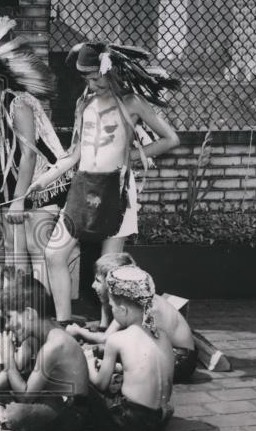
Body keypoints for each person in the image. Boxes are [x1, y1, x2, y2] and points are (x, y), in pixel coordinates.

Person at [28, 41, 180, 322]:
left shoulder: (132, 103)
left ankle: (107, 328)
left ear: (111, 70)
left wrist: (135, 154)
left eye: (96, 76)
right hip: (83, 187)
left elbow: (171, 139)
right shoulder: (84, 103)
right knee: (53, 254)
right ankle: (64, 323)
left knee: (108, 266)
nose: (92, 83)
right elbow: (74, 154)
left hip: (117, 189)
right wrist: (44, 179)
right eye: (86, 78)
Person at [0, 16, 77, 299]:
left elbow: (28, 154)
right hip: (13, 190)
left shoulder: (18, 103)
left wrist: (20, 200)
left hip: (42, 186)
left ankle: (45, 315)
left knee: (38, 250)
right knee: (14, 252)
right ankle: (20, 312)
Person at [0, 273, 91, 431]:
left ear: (29, 314)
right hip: (42, 398)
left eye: (10, 317)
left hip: (69, 411)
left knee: (17, 414)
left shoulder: (55, 344)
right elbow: (13, 371)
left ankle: (2, 426)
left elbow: (25, 396)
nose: (8, 326)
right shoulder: (33, 337)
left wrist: (8, 358)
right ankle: (1, 426)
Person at [67, 252, 197, 382]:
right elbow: (107, 332)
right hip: (167, 352)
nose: (93, 285)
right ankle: (116, 368)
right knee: (102, 349)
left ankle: (118, 370)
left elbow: (108, 339)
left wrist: (79, 331)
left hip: (180, 360)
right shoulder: (128, 299)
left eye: (98, 281)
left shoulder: (142, 305)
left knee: (109, 350)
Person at [87, 265, 174, 431]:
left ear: (123, 310)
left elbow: (100, 384)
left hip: (131, 420)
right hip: (159, 418)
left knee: (86, 386)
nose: (112, 310)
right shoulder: (163, 335)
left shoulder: (117, 339)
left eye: (112, 306)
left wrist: (89, 362)